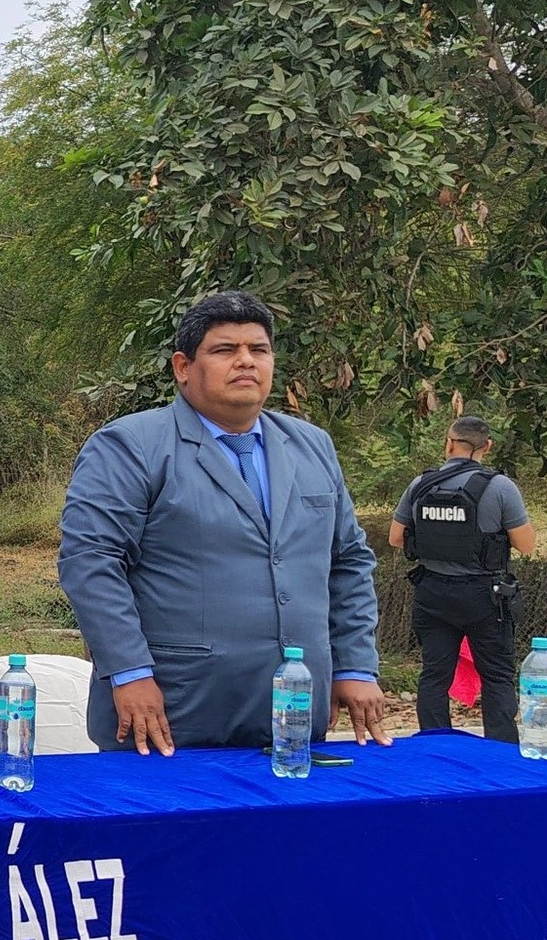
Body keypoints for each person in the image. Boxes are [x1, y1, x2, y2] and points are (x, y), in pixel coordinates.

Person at [58, 290, 385, 754]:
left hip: (293, 715)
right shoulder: (130, 446)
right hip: (171, 712)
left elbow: (349, 561)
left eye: (259, 349)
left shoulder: (312, 446)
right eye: (225, 349)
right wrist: (129, 672)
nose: (246, 361)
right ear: (183, 367)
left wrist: (354, 665)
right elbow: (91, 562)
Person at [389, 416, 536, 742]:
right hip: (484, 597)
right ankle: (499, 752)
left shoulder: (420, 484)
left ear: (449, 443)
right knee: (497, 677)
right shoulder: (500, 487)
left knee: (434, 675)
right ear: (487, 446)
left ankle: (435, 746)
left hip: (432, 593)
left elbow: (396, 538)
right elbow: (526, 545)